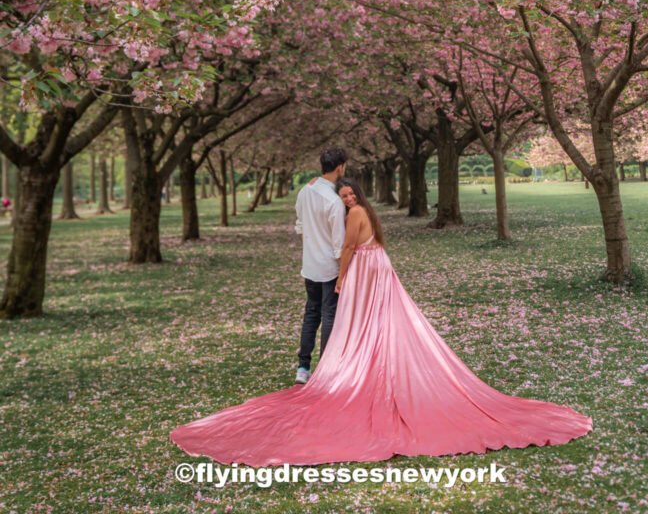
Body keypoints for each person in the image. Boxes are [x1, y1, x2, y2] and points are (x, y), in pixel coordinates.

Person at [169, 176, 592, 466]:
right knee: (377, 320)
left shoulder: (355, 216)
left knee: (363, 320)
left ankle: (355, 364)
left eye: (352, 195)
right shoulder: (365, 214)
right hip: (379, 268)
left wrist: (340, 280)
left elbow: (349, 249)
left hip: (365, 269)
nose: (349, 200)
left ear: (359, 196)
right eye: (345, 195)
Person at [293, 147, 347, 385]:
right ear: (340, 167)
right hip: (328, 267)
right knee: (328, 315)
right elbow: (339, 244)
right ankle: (326, 367)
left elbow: (300, 225)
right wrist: (343, 272)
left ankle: (303, 367)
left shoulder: (305, 191)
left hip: (310, 264)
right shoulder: (334, 201)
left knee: (311, 314)